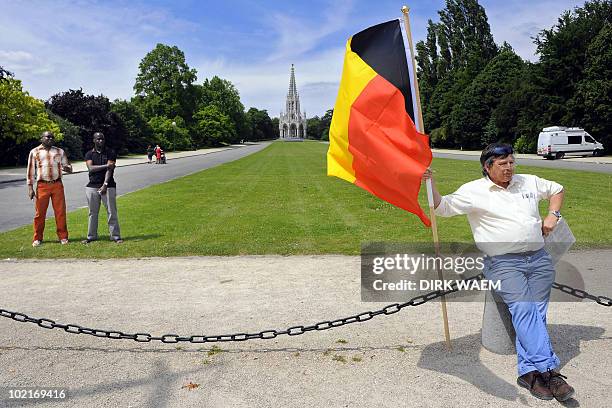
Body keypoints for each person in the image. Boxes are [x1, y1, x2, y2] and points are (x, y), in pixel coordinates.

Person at [424, 143, 574, 402]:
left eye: (512, 163)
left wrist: (553, 215)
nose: (509, 168)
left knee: (537, 313)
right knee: (525, 310)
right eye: (502, 164)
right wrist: (430, 181)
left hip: (538, 258)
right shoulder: (474, 191)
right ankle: (549, 371)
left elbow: (557, 188)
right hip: (503, 263)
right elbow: (441, 207)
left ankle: (528, 373)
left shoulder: (527, 182)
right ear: (487, 166)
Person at [26, 130, 73, 247]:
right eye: (48, 137)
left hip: (57, 184)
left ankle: (63, 237)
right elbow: (31, 170)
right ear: (41, 138)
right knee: (40, 213)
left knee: (60, 212)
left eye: (52, 137)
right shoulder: (34, 152)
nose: (50, 139)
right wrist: (30, 187)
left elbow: (68, 167)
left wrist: (67, 168)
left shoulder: (59, 151)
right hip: (42, 185)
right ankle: (37, 238)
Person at [82, 132, 123, 244]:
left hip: (108, 186)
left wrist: (105, 184)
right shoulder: (89, 154)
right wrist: (106, 165)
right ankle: (91, 236)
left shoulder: (110, 152)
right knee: (92, 212)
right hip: (92, 186)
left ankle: (115, 236)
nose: (101, 141)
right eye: (98, 139)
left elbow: (110, 170)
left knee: (111, 212)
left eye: (102, 139)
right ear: (94, 140)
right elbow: (91, 168)